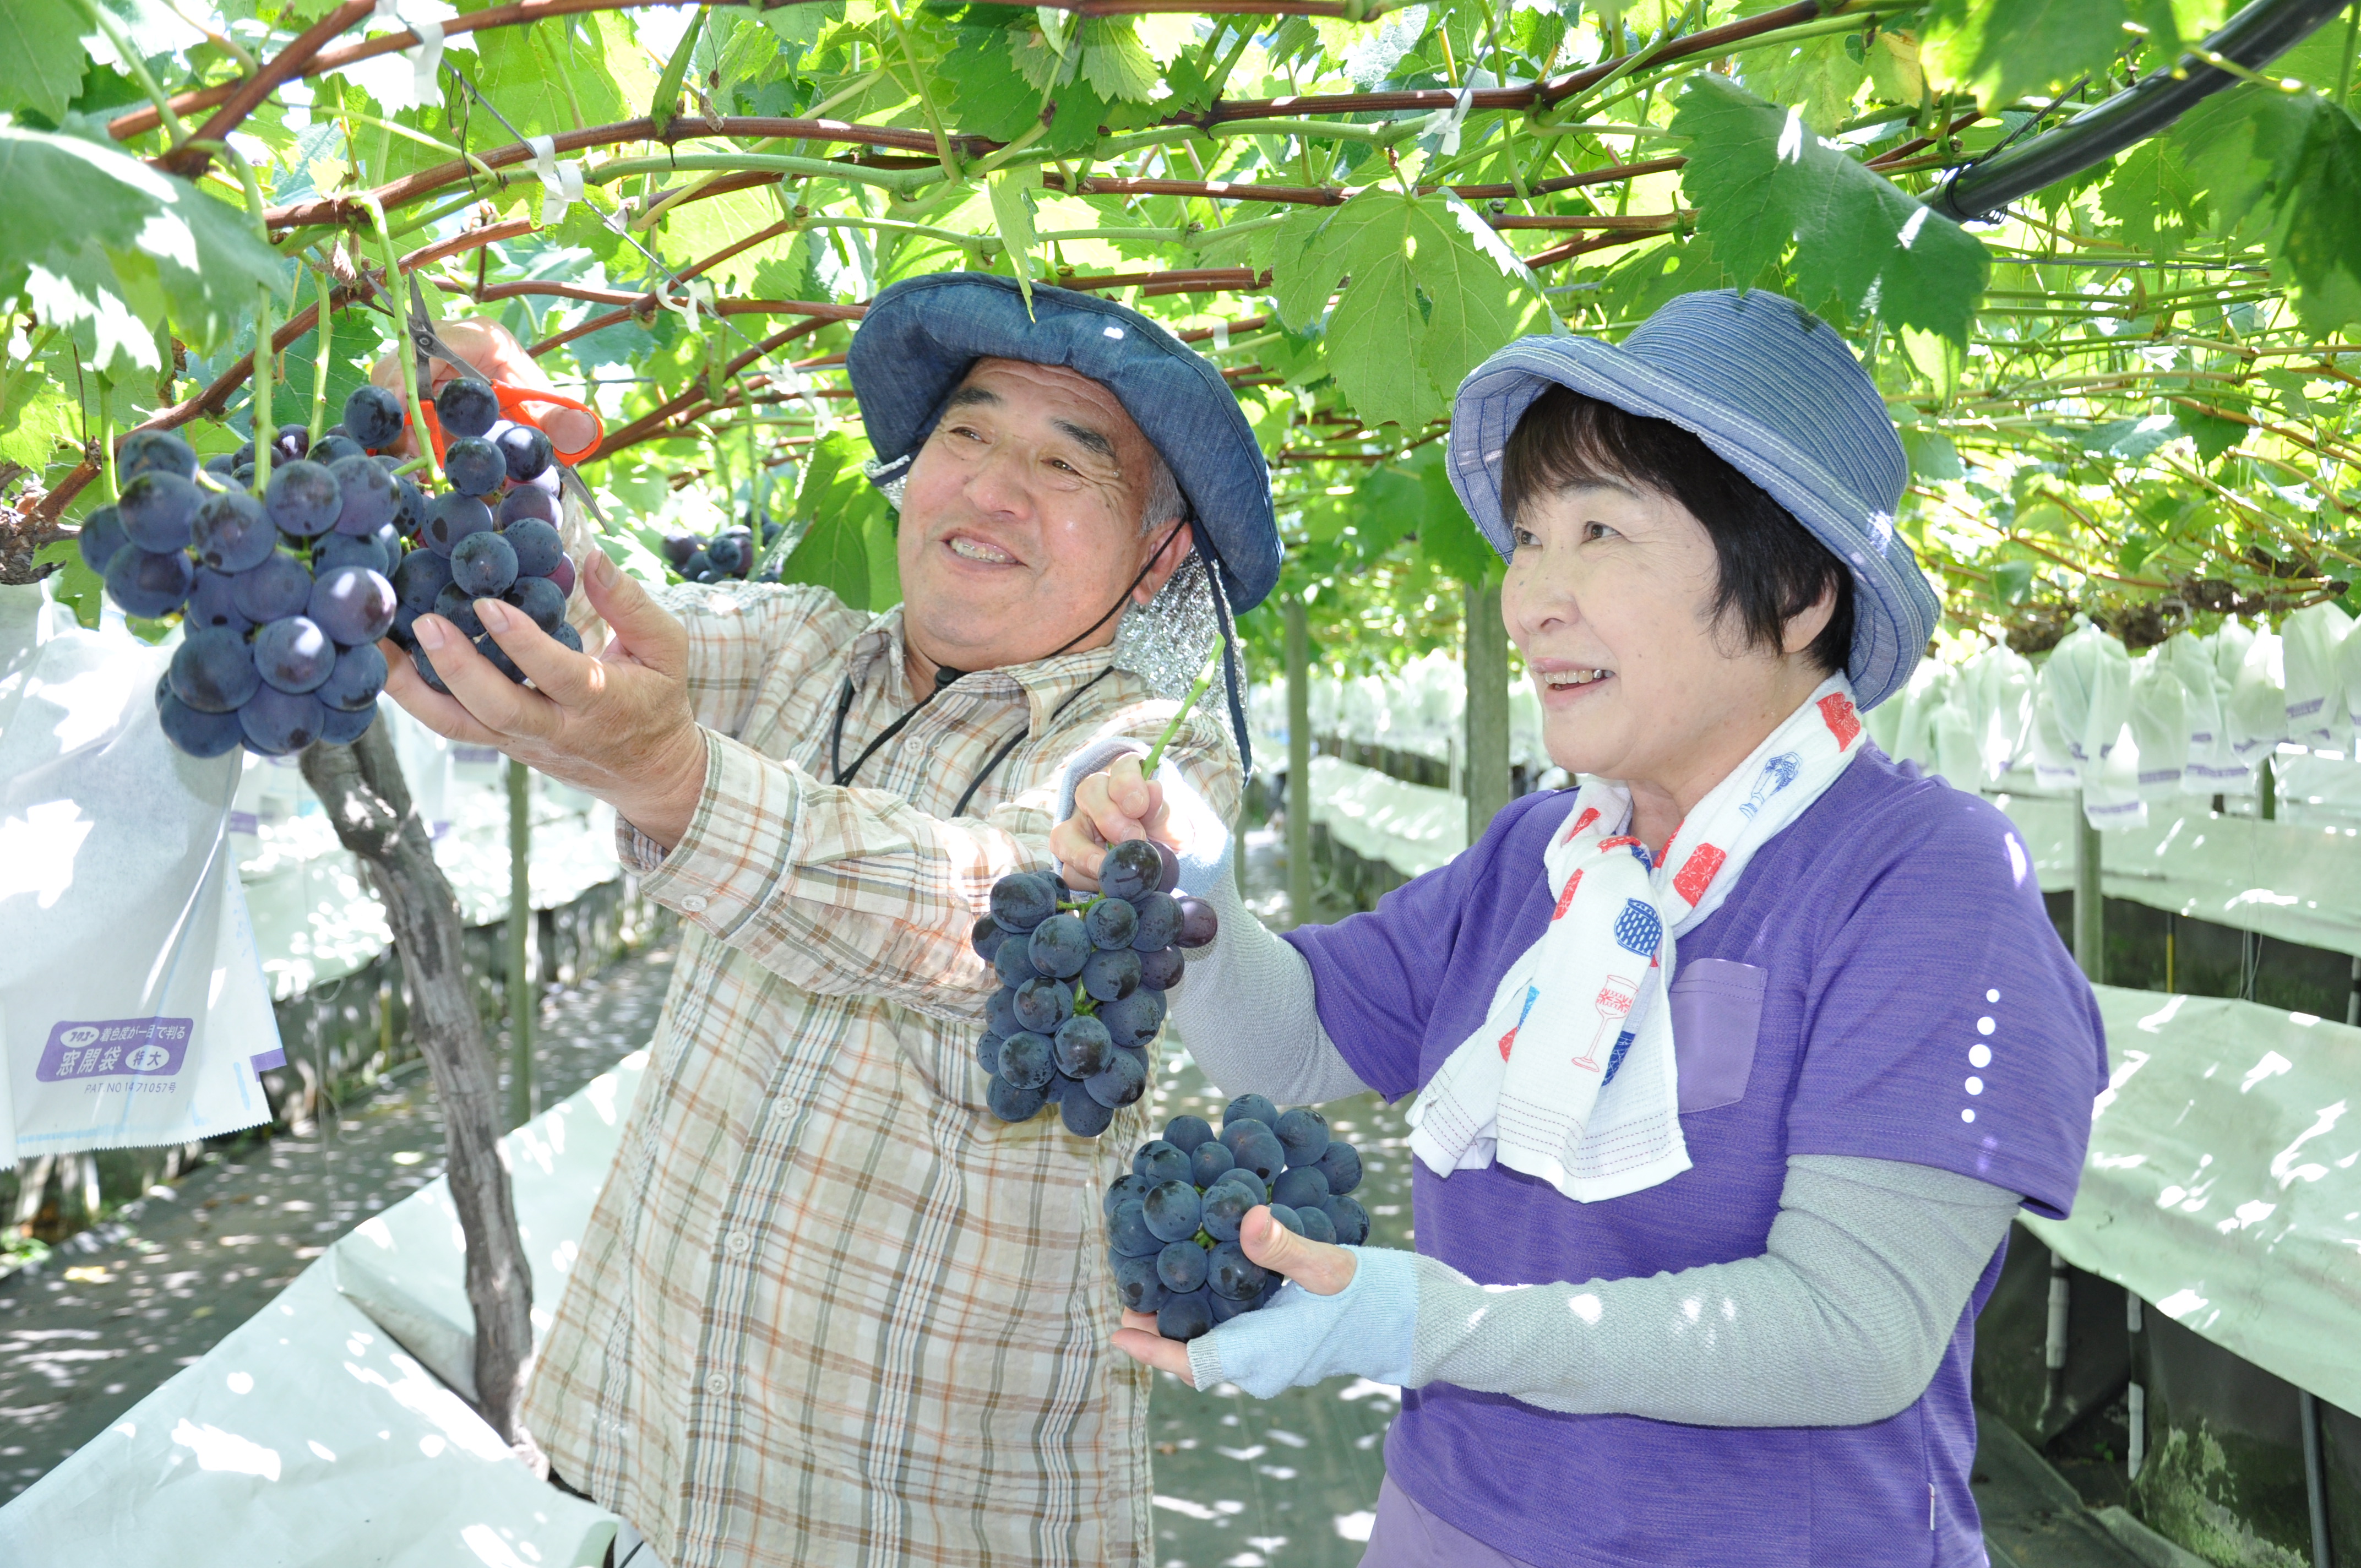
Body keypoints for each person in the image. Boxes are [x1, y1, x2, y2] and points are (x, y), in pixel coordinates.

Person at [1054, 290, 2108, 1568]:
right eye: (1528, 537)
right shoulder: (1542, 860)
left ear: (1796, 595)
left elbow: (1853, 1328)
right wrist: (1187, 897)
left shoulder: (1924, 881)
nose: (1529, 597)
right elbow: (1294, 1041)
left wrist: (1427, 1323)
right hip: (1448, 1523)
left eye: (1599, 528)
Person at [377, 275, 1280, 1566]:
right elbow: (591, 624)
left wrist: (677, 782)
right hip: (636, 1438)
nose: (993, 486)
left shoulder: (1160, 754)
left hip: (912, 1513)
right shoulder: (799, 646)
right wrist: (486, 439)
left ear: (1161, 554)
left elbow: (1004, 905)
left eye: (1065, 463)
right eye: (967, 435)